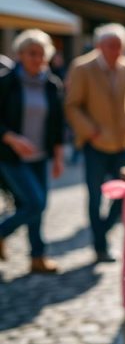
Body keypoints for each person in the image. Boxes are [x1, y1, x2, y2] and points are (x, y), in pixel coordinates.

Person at [65, 23, 125, 262]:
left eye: (120, 47)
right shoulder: (82, 67)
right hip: (95, 144)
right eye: (111, 46)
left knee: (124, 195)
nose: (116, 51)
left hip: (122, 142)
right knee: (95, 196)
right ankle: (100, 246)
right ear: (99, 45)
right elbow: (72, 105)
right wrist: (90, 131)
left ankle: (102, 232)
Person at [0, 29, 65, 273]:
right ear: (20, 55)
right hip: (11, 156)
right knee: (35, 203)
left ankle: (37, 258)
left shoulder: (51, 84)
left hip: (40, 156)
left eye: (41, 54)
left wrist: (58, 158)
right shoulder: (6, 82)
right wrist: (12, 138)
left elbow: (57, 124)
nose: (37, 59)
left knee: (35, 208)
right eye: (31, 53)